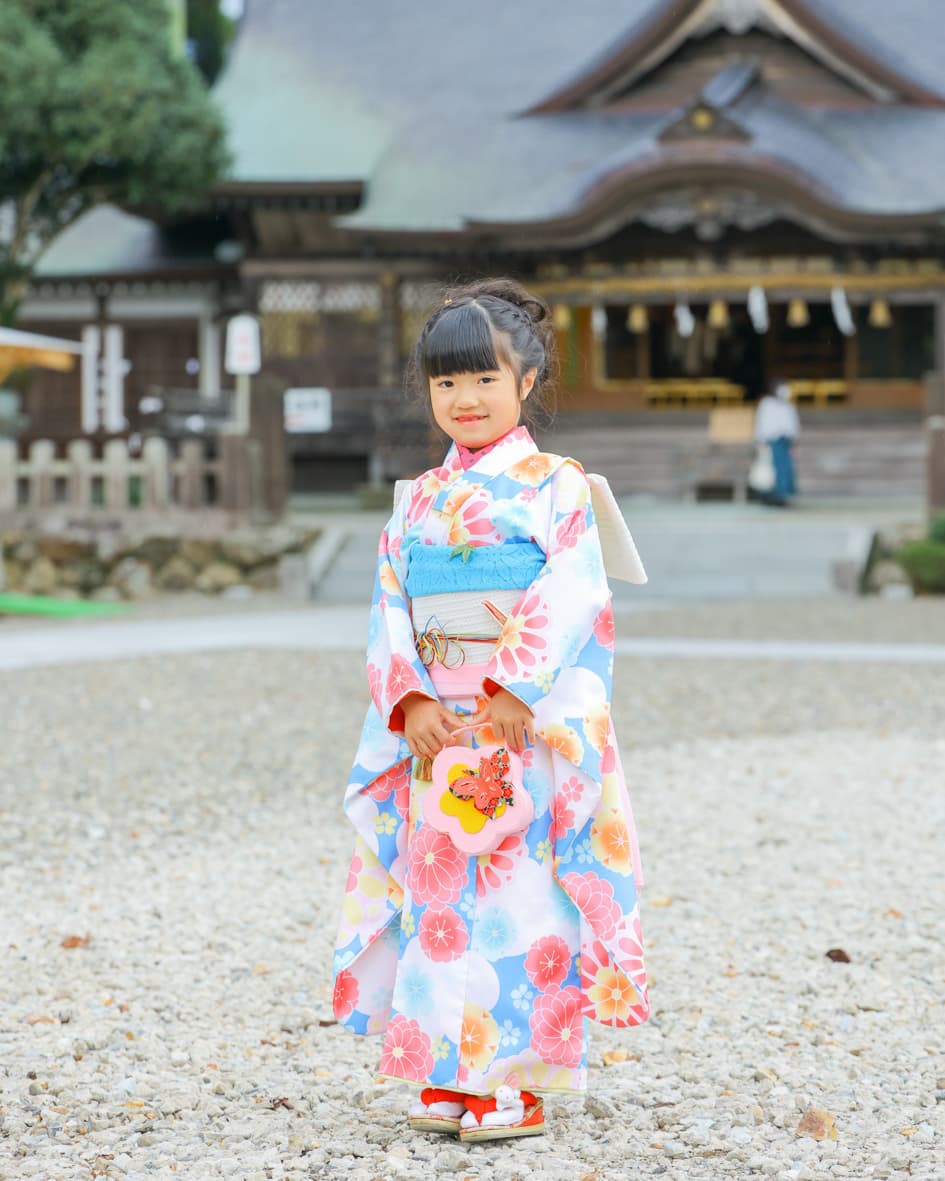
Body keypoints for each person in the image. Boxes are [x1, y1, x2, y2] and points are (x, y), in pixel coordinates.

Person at [332, 278, 648, 1143]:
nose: (463, 399)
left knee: (522, 898)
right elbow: (388, 602)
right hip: (438, 724)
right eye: (445, 383)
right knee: (437, 895)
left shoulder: (557, 487)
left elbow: (575, 588)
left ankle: (515, 1078)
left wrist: (513, 686)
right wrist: (407, 700)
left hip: (521, 720)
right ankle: (445, 1070)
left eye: (482, 380)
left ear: (528, 379)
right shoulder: (416, 500)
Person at [752, 379, 800, 505]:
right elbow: (762, 423)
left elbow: (792, 425)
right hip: (772, 440)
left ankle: (783, 494)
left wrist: (794, 442)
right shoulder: (766, 404)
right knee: (773, 468)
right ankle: (772, 495)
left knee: (785, 468)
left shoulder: (789, 406)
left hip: (785, 441)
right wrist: (760, 439)